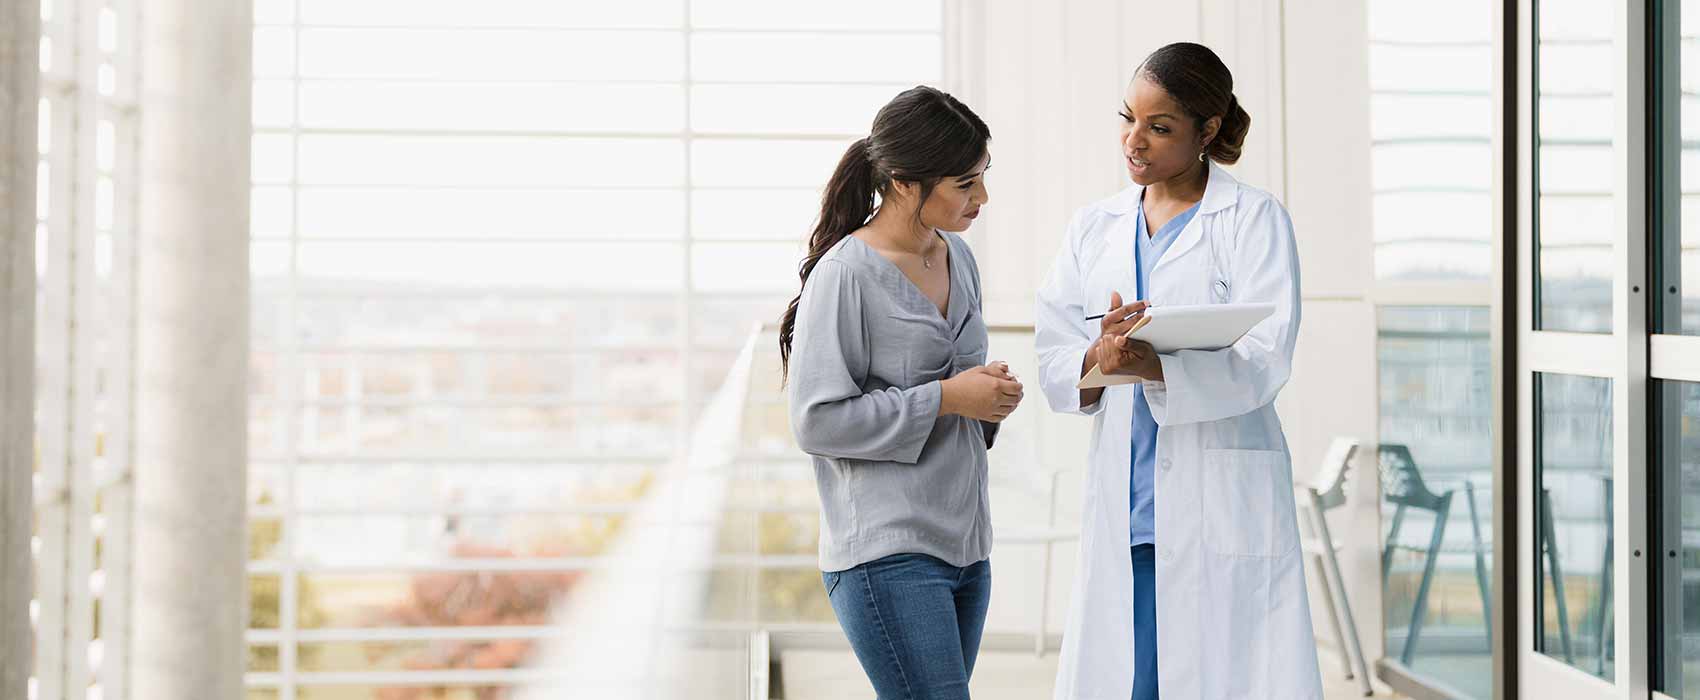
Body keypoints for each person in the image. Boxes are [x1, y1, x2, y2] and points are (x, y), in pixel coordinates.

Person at [1034, 43, 1322, 699]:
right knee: (1133, 678)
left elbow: (1267, 353)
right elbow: (1056, 350)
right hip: (1128, 501)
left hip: (1216, 494)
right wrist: (1098, 359)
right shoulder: (1094, 226)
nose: (1134, 142)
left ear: (1208, 131)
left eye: (1159, 127)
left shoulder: (1252, 219)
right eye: (1127, 119)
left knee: (1221, 675)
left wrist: (1157, 366)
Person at [782, 85, 1023, 700]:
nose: (983, 197)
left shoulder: (958, 257)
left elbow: (960, 382)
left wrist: (988, 398)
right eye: (964, 184)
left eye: (982, 177)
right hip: (886, 551)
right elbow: (816, 421)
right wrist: (946, 398)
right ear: (903, 182)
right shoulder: (845, 275)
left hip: (968, 546)